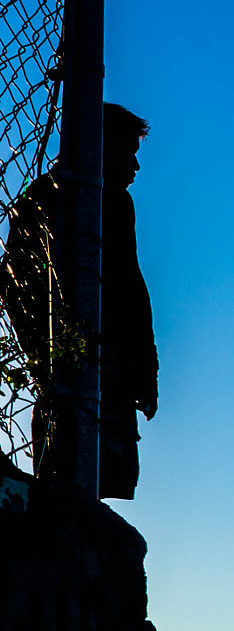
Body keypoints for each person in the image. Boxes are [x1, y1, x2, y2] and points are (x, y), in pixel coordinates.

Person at [0, 102, 158, 497]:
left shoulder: (106, 201)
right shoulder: (48, 202)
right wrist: (48, 353)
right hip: (79, 367)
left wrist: (145, 365)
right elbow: (14, 284)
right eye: (129, 152)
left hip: (102, 368)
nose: (135, 167)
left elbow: (130, 284)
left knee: (86, 485)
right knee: (71, 483)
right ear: (99, 144)